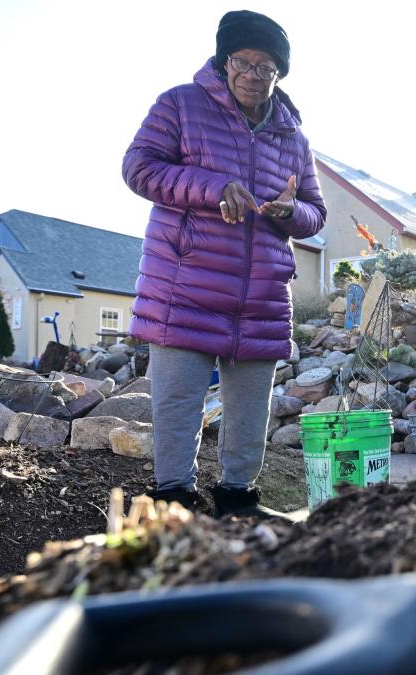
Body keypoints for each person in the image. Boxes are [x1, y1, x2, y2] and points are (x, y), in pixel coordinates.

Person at [122, 10, 326, 518]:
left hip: (259, 293)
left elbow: (316, 213)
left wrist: (290, 212)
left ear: (279, 75)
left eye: (267, 68)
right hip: (184, 285)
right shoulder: (180, 105)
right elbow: (139, 168)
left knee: (251, 409)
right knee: (177, 405)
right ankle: (173, 502)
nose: (254, 76)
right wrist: (213, 189)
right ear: (223, 60)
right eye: (244, 62)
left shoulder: (293, 137)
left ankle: (238, 501)